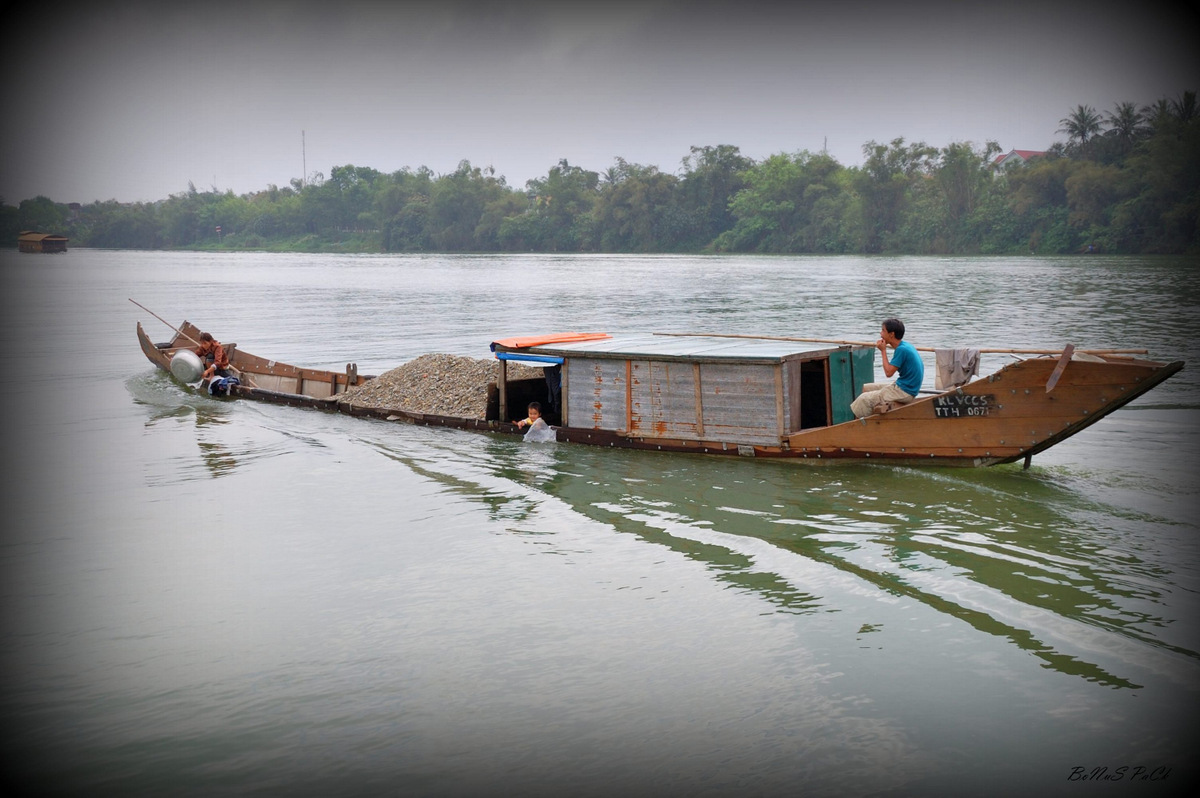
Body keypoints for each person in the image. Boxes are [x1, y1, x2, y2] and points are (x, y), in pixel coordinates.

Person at [850, 318, 924, 418]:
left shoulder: (901, 350)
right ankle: (868, 418)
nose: (881, 333)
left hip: (905, 392)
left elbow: (888, 373)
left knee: (863, 399)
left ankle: (861, 426)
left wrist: (883, 350)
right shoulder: (905, 345)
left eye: (883, 330)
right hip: (904, 386)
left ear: (891, 334)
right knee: (866, 388)